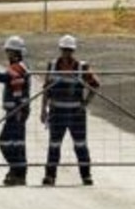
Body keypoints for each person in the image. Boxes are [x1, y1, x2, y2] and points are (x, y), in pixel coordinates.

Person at [40, 34, 101, 186]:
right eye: (65, 50)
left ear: (73, 50)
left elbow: (95, 84)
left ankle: (86, 176)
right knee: (54, 145)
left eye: (69, 50)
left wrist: (85, 103)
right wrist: (43, 109)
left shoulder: (82, 67)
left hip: (76, 114)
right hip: (57, 113)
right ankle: (50, 176)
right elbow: (46, 89)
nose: (67, 53)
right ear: (61, 49)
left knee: (80, 145)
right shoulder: (52, 66)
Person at [0, 35, 31, 186]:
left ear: (16, 53)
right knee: (16, 143)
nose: (7, 55)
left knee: (5, 142)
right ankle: (17, 173)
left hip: (17, 111)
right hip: (15, 111)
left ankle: (17, 170)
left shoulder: (19, 67)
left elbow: (5, 78)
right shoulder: (18, 66)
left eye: (9, 52)